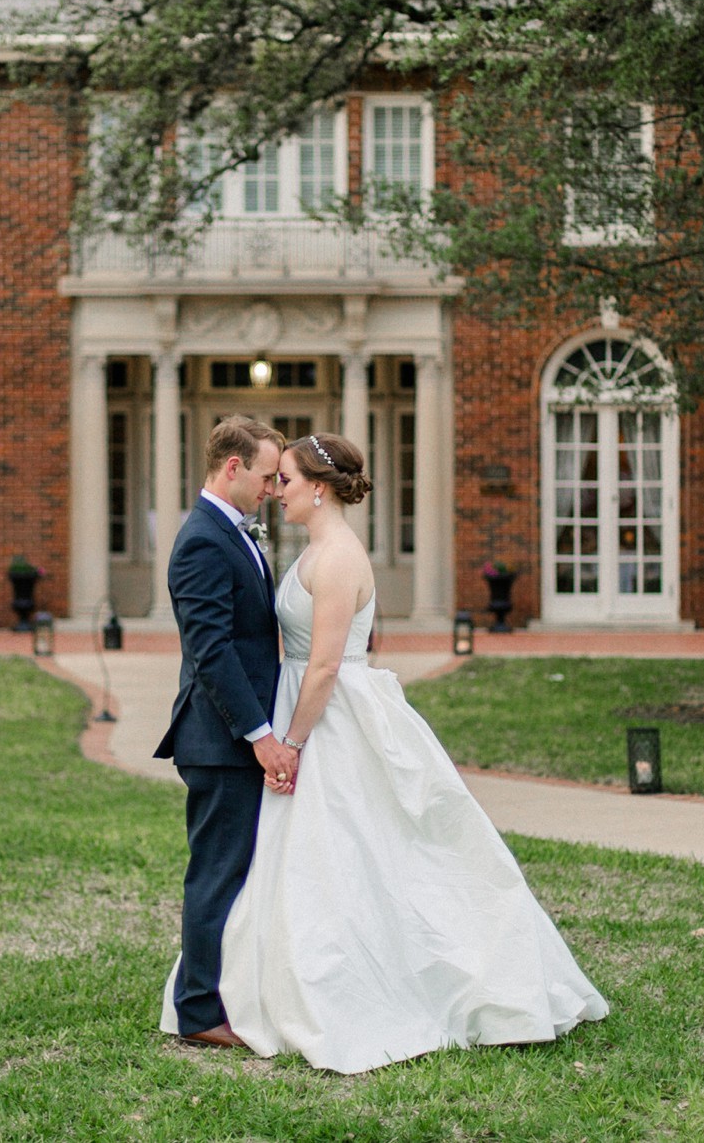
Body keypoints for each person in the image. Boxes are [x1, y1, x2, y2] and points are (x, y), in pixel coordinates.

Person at [196, 431, 609, 1074]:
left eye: (289, 481)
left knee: (371, 850)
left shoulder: (336, 558)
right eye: (274, 480)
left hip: (330, 719)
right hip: (308, 706)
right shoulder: (318, 548)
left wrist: (293, 744)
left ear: (321, 488)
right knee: (331, 856)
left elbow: (328, 664)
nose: (278, 491)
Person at [153, 416, 295, 1048]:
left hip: (234, 738)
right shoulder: (203, 540)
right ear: (232, 468)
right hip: (219, 739)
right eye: (266, 476)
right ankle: (199, 1011)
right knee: (215, 872)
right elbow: (211, 651)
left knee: (234, 870)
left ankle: (222, 992)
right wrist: (260, 734)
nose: (271, 488)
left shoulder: (231, 531)